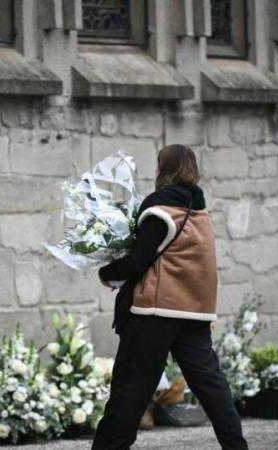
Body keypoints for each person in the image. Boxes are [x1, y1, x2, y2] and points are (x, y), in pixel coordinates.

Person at [91, 145, 248, 450]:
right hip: (194, 315)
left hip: (155, 314)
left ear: (164, 169)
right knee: (212, 387)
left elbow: (138, 261)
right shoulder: (199, 211)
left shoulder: (159, 212)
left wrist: (107, 274)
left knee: (130, 390)